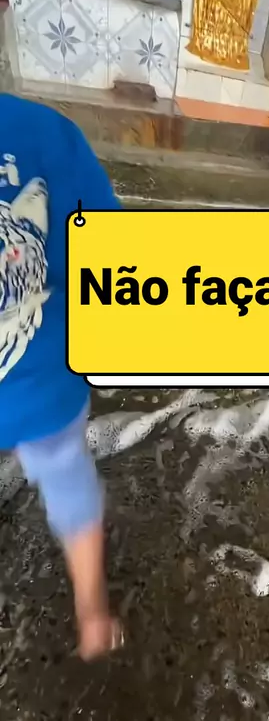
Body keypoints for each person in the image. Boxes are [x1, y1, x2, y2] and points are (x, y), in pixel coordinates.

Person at [0, 94, 123, 661]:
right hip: (43, 387)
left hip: (41, 388)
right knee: (67, 475)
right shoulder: (46, 134)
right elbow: (110, 255)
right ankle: (92, 611)